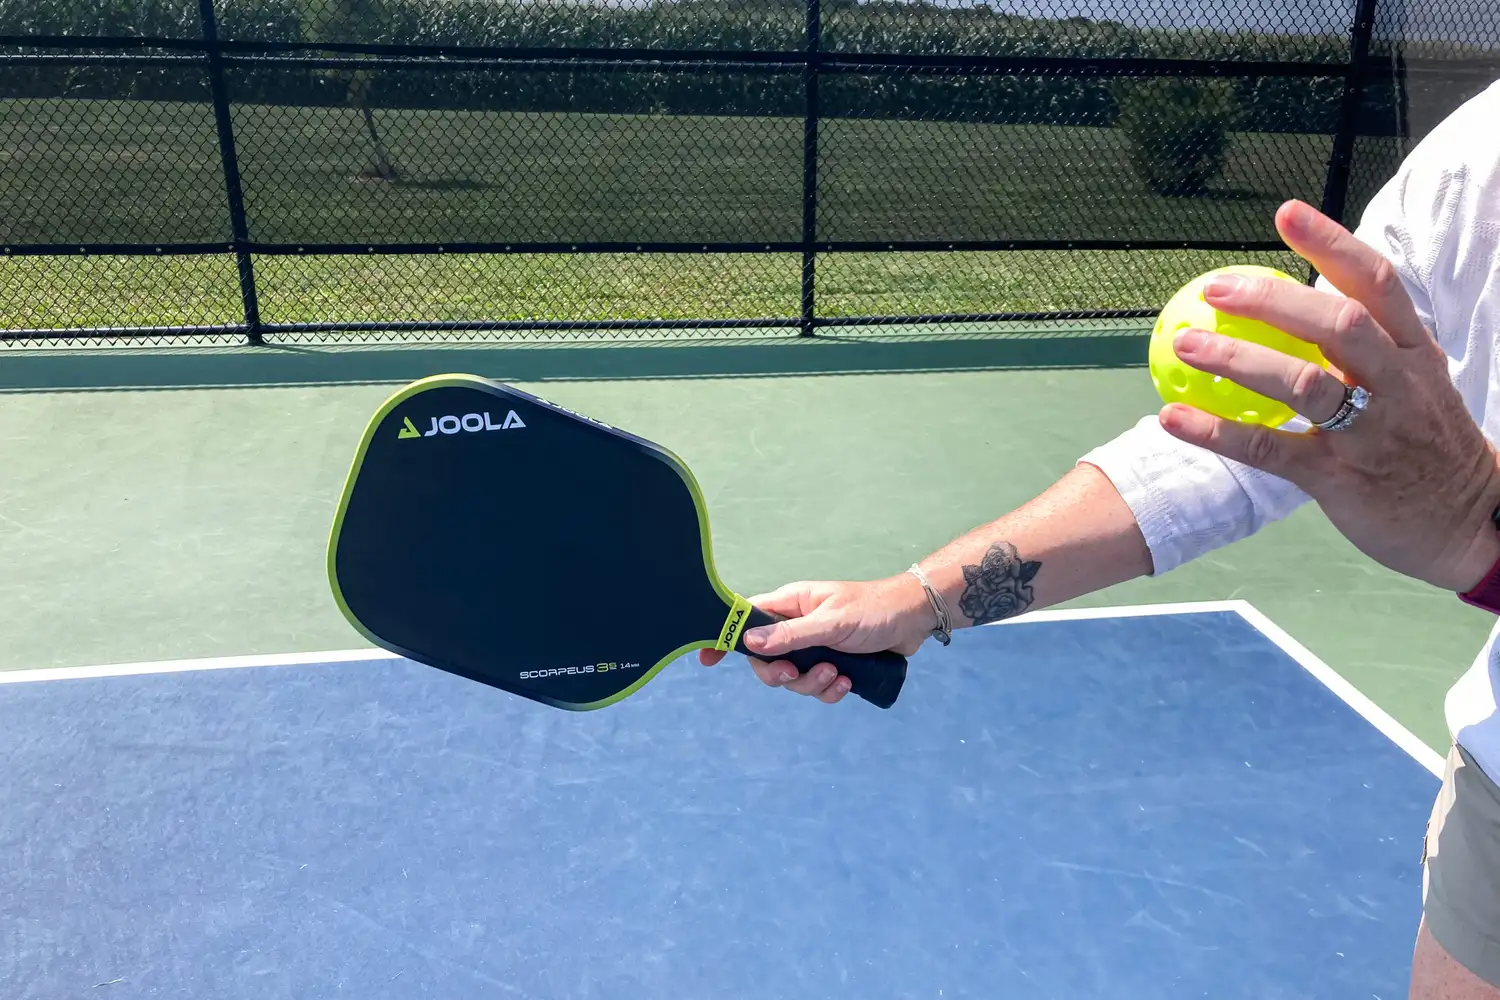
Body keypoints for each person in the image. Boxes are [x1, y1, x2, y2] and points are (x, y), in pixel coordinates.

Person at [700, 79, 1500, 998]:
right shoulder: (1479, 159)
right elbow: (1271, 442)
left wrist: (1482, 528)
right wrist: (917, 598)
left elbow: (1461, 513)